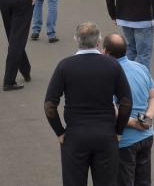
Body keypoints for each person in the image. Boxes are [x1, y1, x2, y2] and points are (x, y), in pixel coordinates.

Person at [45, 22, 132, 186]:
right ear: (99, 40)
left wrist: (60, 132)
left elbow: (49, 105)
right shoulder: (113, 65)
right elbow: (126, 102)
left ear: (76, 39)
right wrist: (119, 131)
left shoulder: (65, 66)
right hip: (106, 136)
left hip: (75, 136)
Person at [102, 33, 154, 186]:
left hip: (125, 141)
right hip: (146, 136)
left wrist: (133, 123)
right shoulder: (140, 67)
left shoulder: (107, 75)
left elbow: (111, 110)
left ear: (106, 52)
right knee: (143, 181)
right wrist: (147, 117)